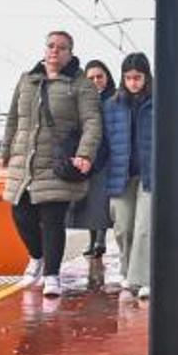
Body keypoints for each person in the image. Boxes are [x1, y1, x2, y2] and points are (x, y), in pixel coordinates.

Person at [2, 31, 102, 298]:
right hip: (25, 162)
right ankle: (37, 256)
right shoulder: (27, 80)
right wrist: (5, 154)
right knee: (20, 214)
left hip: (57, 161)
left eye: (61, 47)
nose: (55, 51)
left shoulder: (81, 85)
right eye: (50, 46)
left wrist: (84, 154)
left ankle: (51, 276)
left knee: (52, 219)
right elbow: (13, 119)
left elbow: (92, 122)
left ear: (71, 52)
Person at [103, 53, 153, 300]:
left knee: (144, 227)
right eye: (129, 77)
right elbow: (104, 141)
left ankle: (142, 279)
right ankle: (127, 272)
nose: (133, 82)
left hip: (150, 175)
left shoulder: (157, 103)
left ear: (147, 77)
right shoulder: (112, 106)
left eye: (138, 77)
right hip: (120, 175)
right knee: (123, 227)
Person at [67, 59, 115, 259]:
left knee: (101, 202)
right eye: (91, 77)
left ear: (107, 77)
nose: (96, 81)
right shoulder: (81, 99)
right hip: (88, 156)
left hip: (108, 157)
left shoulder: (113, 99)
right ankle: (92, 238)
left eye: (100, 76)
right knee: (89, 202)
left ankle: (101, 239)